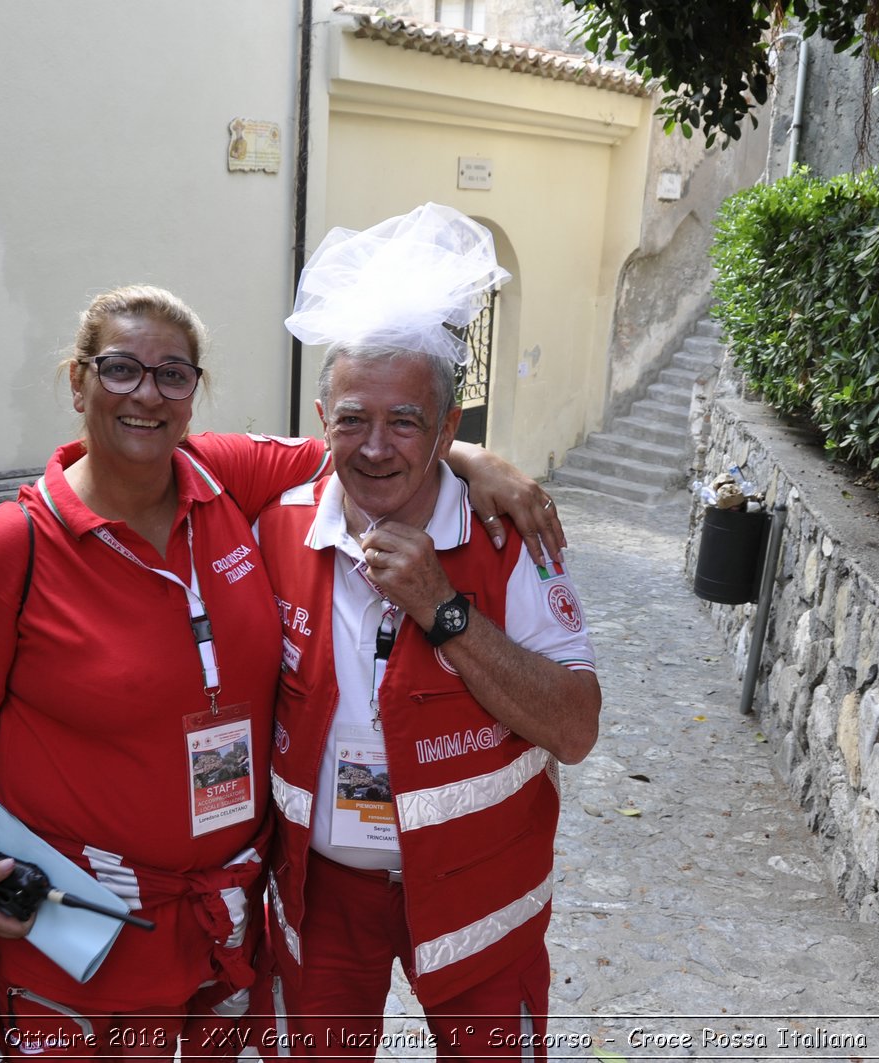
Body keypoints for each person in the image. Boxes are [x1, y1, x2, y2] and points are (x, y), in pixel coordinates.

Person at [0, 284, 564, 1060]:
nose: (146, 393)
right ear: (77, 382)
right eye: (119, 369)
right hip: (84, 912)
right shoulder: (11, 547)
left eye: (172, 374)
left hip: (227, 914)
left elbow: (363, 442)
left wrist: (471, 455)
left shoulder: (226, 477)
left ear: (193, 395)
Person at [255, 204, 602, 1060]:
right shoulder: (272, 525)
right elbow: (150, 455)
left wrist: (445, 609)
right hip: (322, 895)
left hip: (483, 888)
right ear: (320, 417)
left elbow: (575, 726)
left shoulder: (510, 537)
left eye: (406, 421)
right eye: (352, 419)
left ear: (451, 429)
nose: (376, 448)